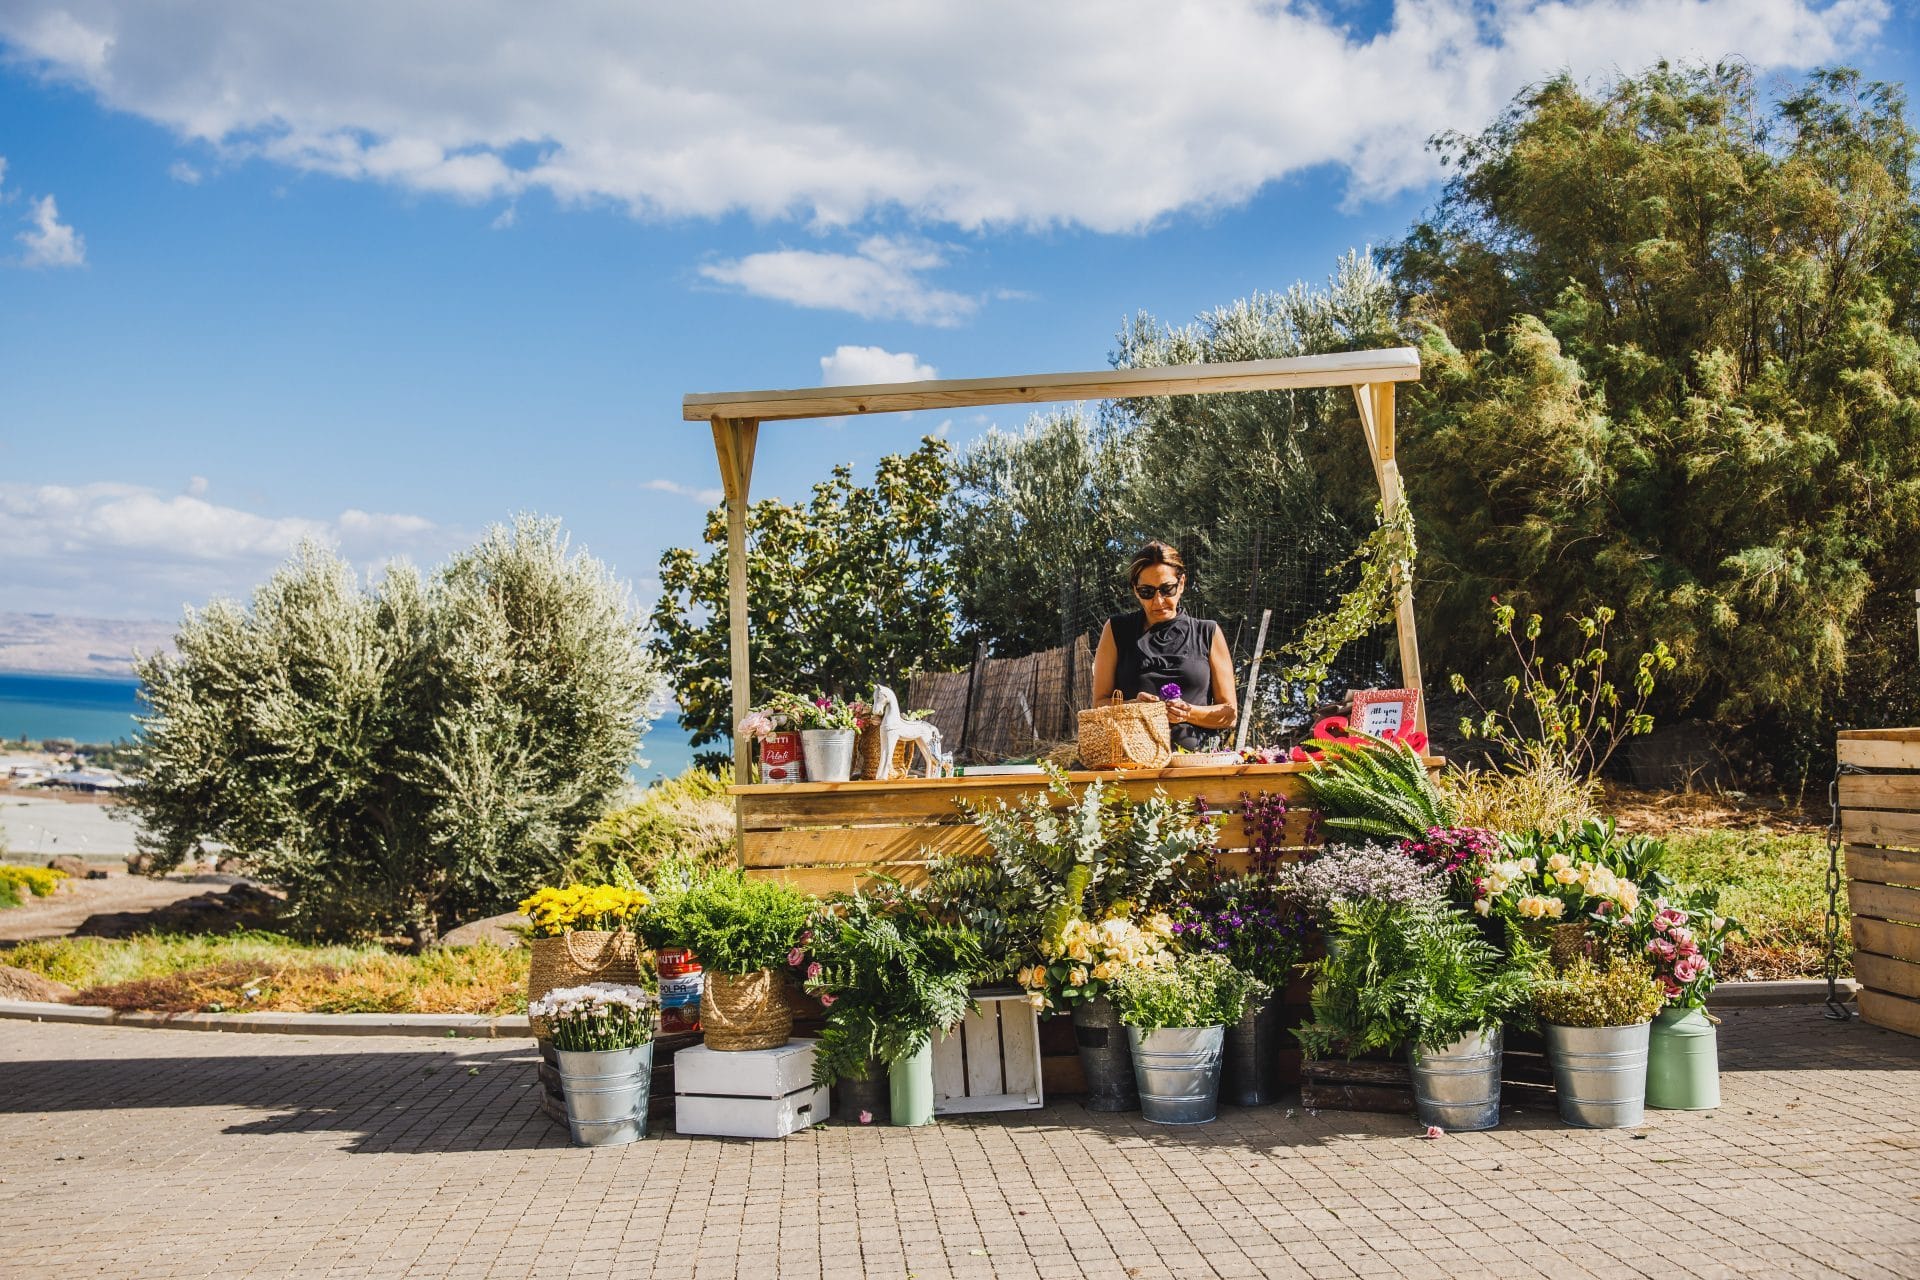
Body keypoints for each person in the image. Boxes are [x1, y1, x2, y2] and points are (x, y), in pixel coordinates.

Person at [1091, 541, 1237, 751]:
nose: (1158, 601)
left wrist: (1187, 712)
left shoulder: (1208, 632)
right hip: (1129, 761)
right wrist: (1132, 708)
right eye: (1147, 592)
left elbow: (1229, 715)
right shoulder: (1116, 630)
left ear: (1182, 584)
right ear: (1135, 590)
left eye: (1167, 589)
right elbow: (1099, 704)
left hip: (1195, 763)